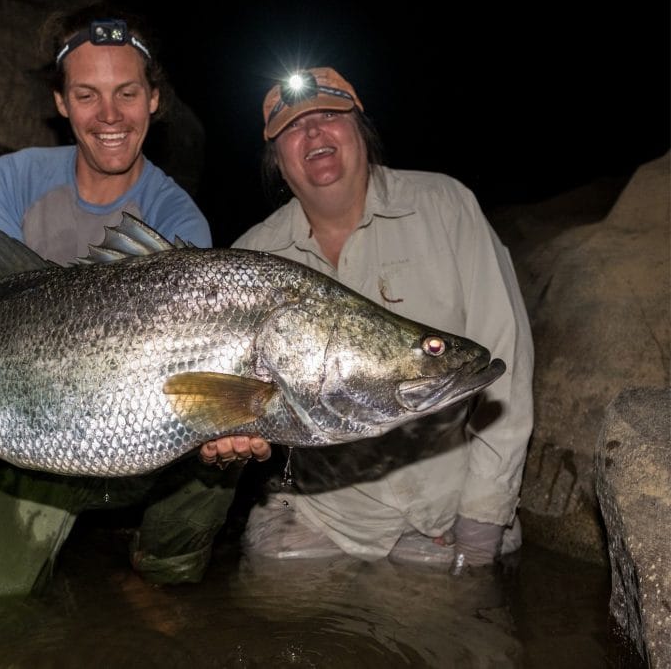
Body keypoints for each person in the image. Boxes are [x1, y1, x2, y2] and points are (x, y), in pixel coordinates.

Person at [0, 2, 259, 599]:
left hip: (140, 448)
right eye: (87, 95)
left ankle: (153, 569)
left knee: (223, 462)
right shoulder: (14, 179)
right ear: (61, 102)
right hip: (13, 436)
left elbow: (194, 389)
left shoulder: (178, 218)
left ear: (154, 99)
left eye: (127, 93)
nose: (109, 115)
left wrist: (225, 422)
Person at [229, 67, 534, 573]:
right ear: (278, 162)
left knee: (461, 630)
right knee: (277, 612)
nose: (313, 133)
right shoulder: (250, 258)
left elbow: (509, 367)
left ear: (361, 131)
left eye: (330, 116)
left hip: (443, 511)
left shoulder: (446, 207)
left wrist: (482, 519)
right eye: (291, 129)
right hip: (317, 515)